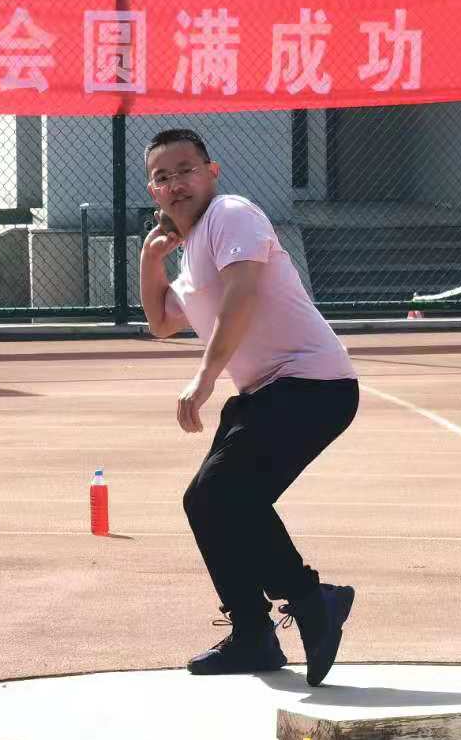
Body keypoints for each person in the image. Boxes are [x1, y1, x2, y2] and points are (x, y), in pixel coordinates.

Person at [138, 127, 360, 686]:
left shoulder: (231, 215)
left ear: (211, 173)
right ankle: (253, 635)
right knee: (207, 502)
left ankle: (312, 599)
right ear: (153, 192)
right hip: (267, 394)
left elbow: (242, 295)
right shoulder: (191, 259)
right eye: (162, 177)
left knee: (224, 494)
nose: (176, 183)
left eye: (186, 170)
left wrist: (205, 376)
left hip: (313, 384)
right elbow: (162, 322)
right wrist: (149, 260)